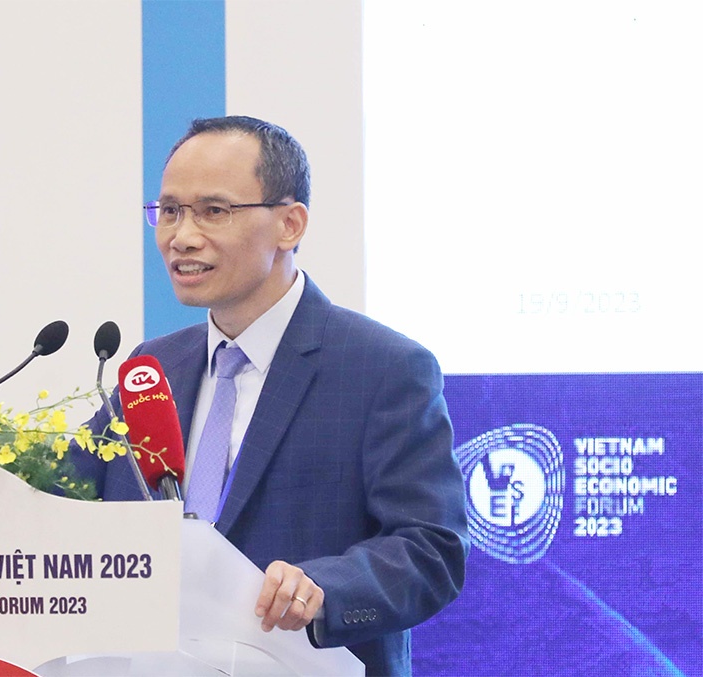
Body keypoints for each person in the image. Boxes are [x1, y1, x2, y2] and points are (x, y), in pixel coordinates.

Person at [72, 116, 469, 676]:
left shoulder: (383, 368)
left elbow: (431, 547)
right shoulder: (152, 368)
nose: (182, 236)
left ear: (289, 224)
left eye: (214, 211)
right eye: (170, 210)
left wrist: (323, 588)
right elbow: (62, 502)